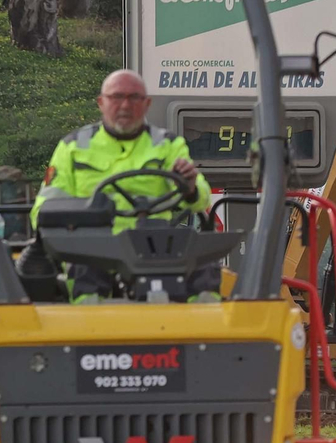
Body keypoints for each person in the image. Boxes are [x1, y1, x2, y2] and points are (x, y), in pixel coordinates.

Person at [30, 69, 219, 304]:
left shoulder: (168, 145)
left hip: (156, 244)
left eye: (134, 97)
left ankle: (207, 319)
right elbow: (44, 210)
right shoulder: (73, 147)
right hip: (96, 247)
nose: (125, 105)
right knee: (85, 264)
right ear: (101, 103)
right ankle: (88, 318)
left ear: (147, 104)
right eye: (117, 97)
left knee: (202, 257)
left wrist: (190, 187)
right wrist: (76, 222)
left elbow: (201, 199)